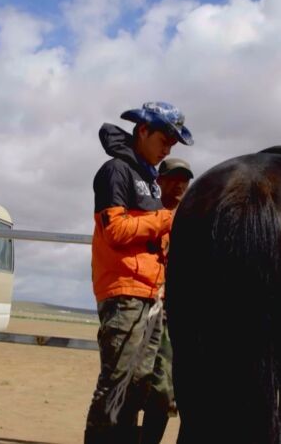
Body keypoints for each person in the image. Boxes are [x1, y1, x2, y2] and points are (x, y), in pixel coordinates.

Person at [86, 102, 194, 444]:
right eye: (165, 138)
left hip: (149, 293)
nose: (168, 148)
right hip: (124, 293)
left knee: (140, 383)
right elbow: (115, 231)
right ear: (143, 130)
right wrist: (168, 218)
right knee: (116, 382)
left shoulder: (148, 178)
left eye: (173, 143)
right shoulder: (116, 171)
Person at [141, 158, 194, 444]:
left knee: (175, 390)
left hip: (183, 318)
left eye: (185, 179)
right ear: (159, 180)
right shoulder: (147, 214)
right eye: (173, 177)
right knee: (156, 388)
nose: (180, 184)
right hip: (150, 310)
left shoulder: (194, 221)